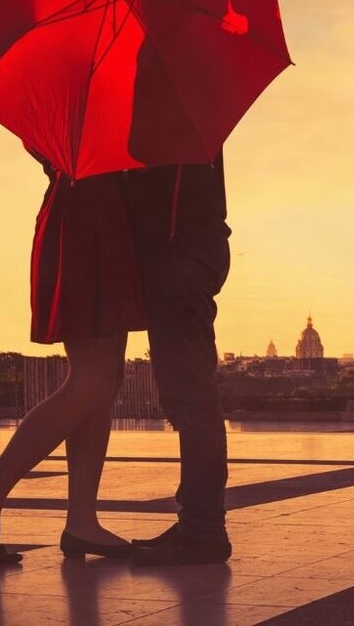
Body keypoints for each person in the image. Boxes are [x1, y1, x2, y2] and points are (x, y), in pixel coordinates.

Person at [0, 155, 142, 565]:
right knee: (94, 380)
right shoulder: (86, 111)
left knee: (103, 383)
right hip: (90, 221)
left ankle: (81, 519)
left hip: (96, 219)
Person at [122, 154, 235, 566]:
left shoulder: (165, 121)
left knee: (191, 402)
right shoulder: (185, 113)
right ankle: (199, 523)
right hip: (189, 254)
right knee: (191, 400)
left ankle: (203, 528)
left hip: (178, 257)